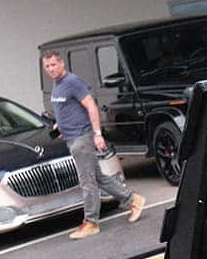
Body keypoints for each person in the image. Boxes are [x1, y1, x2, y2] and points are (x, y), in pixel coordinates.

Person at [40, 50, 144, 240]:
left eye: (53, 65)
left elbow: (91, 106)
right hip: (71, 138)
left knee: (87, 182)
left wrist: (97, 134)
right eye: (47, 66)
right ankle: (133, 199)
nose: (51, 69)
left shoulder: (72, 81)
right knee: (99, 177)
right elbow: (67, 109)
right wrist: (60, 125)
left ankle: (91, 223)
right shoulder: (57, 85)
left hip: (82, 138)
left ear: (62, 64)